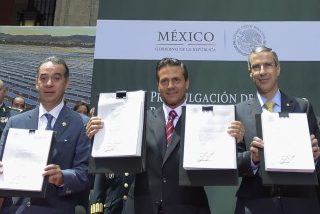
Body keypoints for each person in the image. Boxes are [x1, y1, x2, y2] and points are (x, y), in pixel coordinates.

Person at [87, 57, 237, 214]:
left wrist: (231, 141)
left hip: (190, 208)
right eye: (164, 81)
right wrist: (99, 135)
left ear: (187, 83)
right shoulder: (139, 119)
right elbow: (113, 159)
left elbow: (222, 164)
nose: (170, 86)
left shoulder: (207, 120)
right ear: (158, 86)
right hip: (142, 207)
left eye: (176, 80)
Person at [0, 56, 91, 213]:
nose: (49, 83)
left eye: (56, 78)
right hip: (16, 209)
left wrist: (63, 176)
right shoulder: (16, 122)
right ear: (37, 83)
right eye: (44, 78)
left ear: (67, 83)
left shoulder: (82, 124)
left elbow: (86, 173)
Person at [234, 45, 320, 213]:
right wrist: (253, 158)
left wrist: (316, 158)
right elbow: (233, 161)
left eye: (268, 65)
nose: (262, 71)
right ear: (250, 73)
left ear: (278, 69)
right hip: (255, 204)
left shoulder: (302, 107)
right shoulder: (238, 111)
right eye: (256, 67)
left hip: (300, 203)